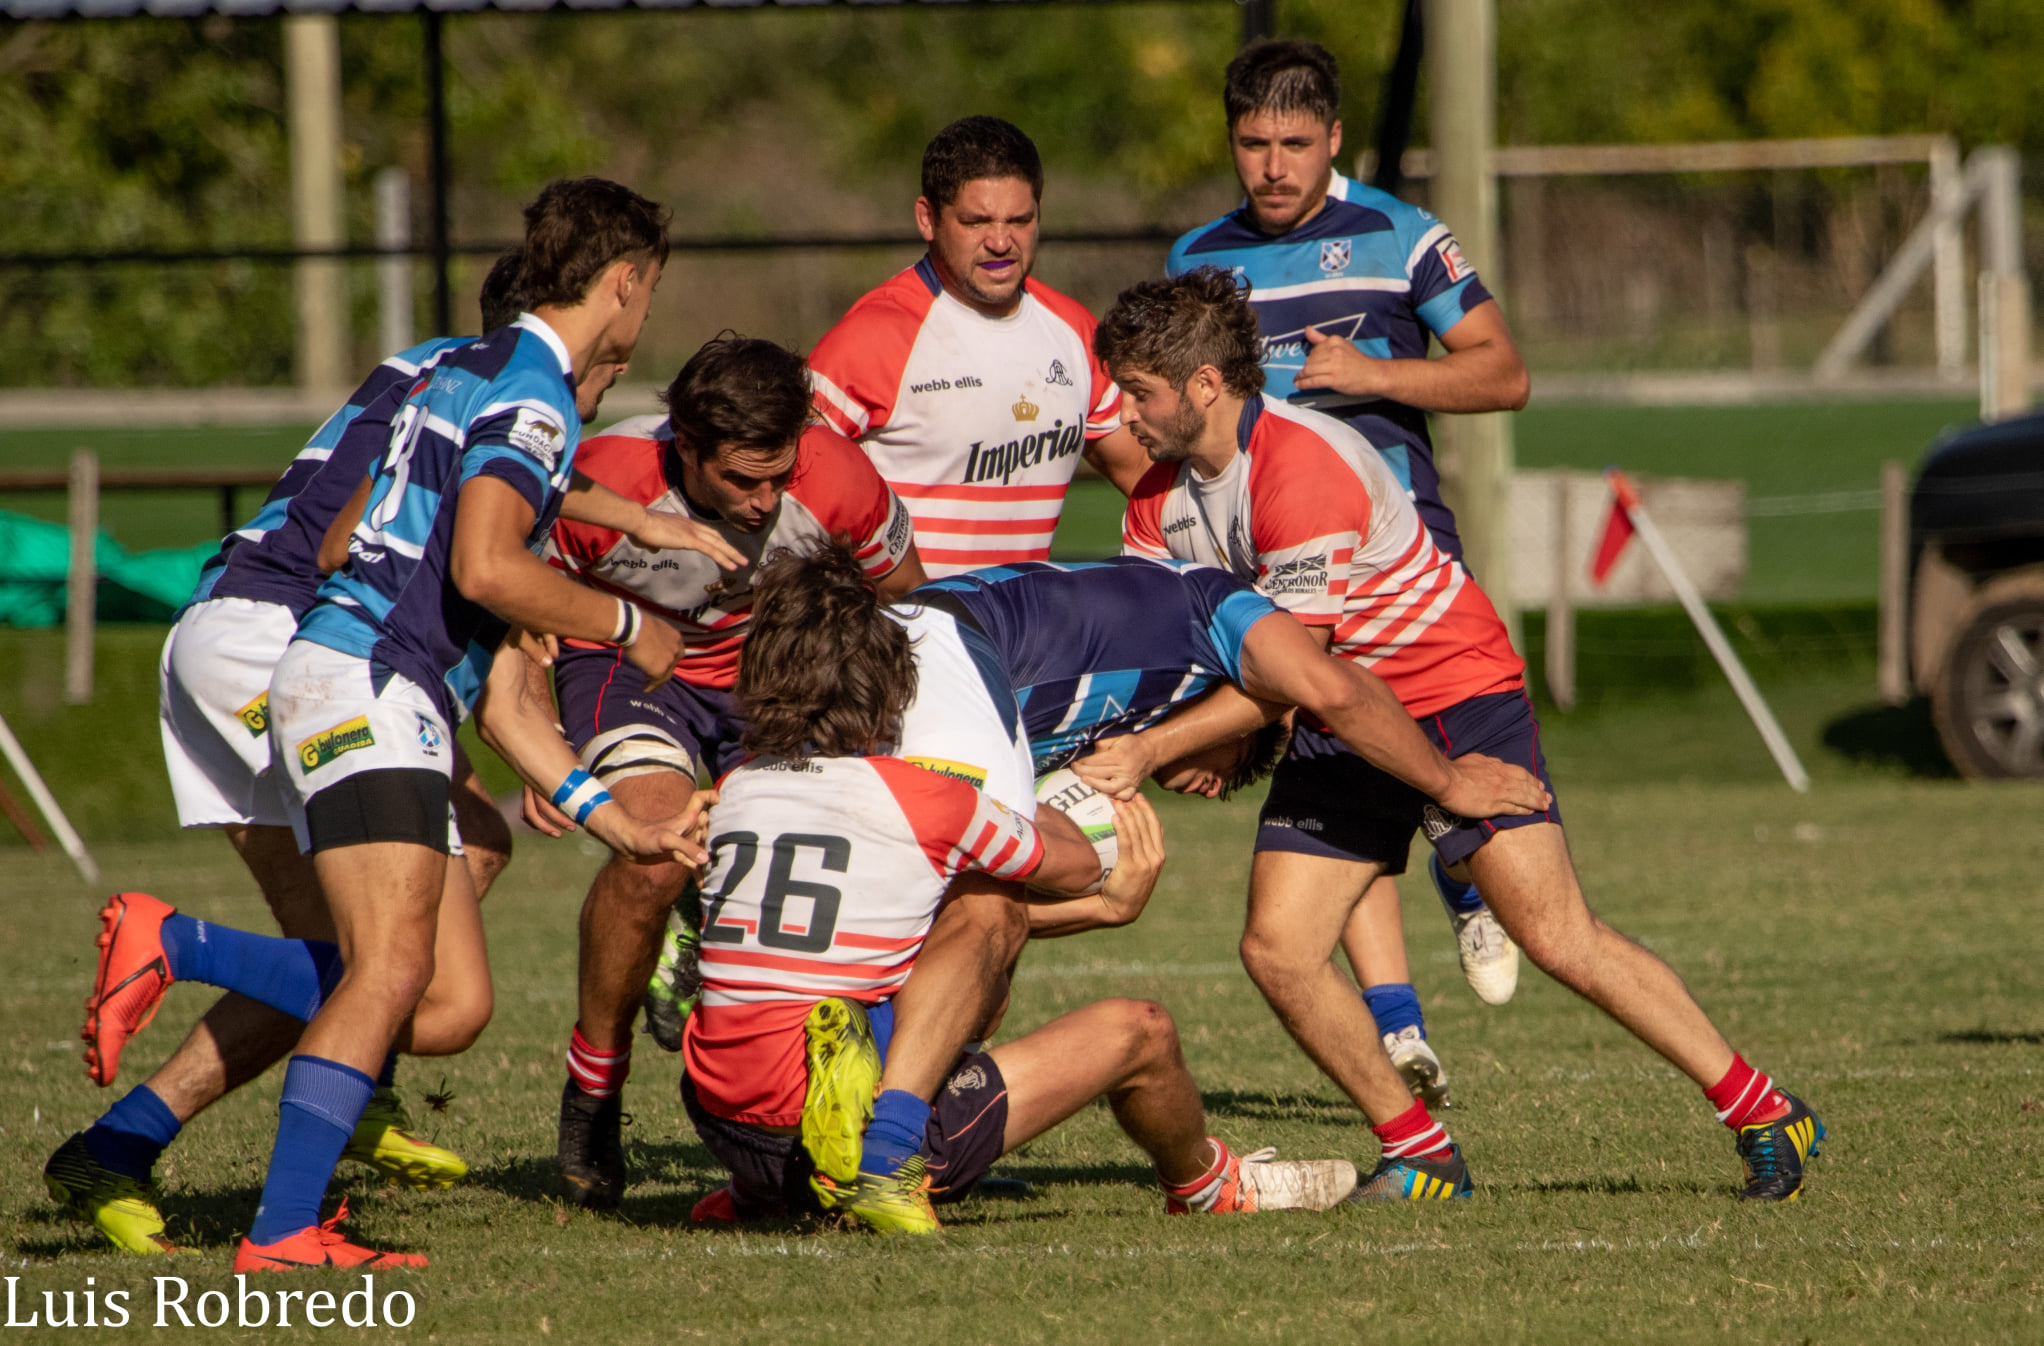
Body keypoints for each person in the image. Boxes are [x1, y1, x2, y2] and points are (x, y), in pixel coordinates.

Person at [75, 178, 728, 1272]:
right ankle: (228, 1053)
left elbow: (456, 585)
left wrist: (620, 823)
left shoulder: (461, 371)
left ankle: (142, 1142)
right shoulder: (531, 398)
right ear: (621, 288)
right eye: (646, 300)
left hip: (326, 656)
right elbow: (444, 559)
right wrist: (628, 622)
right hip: (310, 650)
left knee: (429, 963)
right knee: (398, 979)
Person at [1092, 267, 1825, 1203]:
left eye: (1140, 392)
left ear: (1203, 384)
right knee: (1279, 950)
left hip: (1451, 695)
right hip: (1337, 717)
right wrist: (1186, 735)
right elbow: (1187, 656)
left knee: (1557, 936)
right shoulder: (1156, 502)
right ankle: (1422, 1152)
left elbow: (1295, 670)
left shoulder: (1301, 469)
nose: (1122, 412)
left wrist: (1162, 750)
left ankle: (1765, 1107)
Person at [723, 548, 1547, 1214]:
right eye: (1226, 773)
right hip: (947, 662)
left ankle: (879, 1131)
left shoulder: (1139, 590)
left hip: (919, 636)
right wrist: (1447, 783)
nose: (1203, 787)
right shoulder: (1225, 606)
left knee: (965, 911)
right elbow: (1329, 687)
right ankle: (891, 1148)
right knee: (986, 906)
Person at [43, 257, 535, 1257]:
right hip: (295, 644)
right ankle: (184, 952)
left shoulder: (432, 364)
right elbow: (343, 546)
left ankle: (121, 1143)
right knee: (432, 997)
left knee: (432, 883)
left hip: (235, 632)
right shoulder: (493, 392)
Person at [1168, 38, 1535, 1060]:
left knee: (1429, 774)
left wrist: (1375, 378)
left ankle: (1464, 881)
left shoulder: (1401, 236)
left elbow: (1502, 375)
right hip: (1282, 568)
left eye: (1294, 142)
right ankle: (1399, 1029)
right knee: (1341, 781)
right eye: (1252, 143)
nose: (1272, 166)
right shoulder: (1195, 261)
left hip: (1401, 556)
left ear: (1332, 138)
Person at [529, 335, 928, 1209]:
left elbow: (908, 600)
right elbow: (517, 610)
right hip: (632, 670)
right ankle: (593, 1090)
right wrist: (535, 746)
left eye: (778, 477)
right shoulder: (603, 482)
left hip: (777, 681)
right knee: (657, 849)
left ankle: (901, 1116)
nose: (764, 501)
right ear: (683, 445)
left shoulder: (836, 475)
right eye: (741, 481)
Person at [808, 115, 1151, 577]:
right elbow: (786, 488)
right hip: (899, 638)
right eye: (976, 222)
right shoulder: (870, 339)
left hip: (1021, 638)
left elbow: (1148, 481)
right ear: (927, 219)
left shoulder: (1074, 331)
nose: (1000, 242)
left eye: (1020, 220)